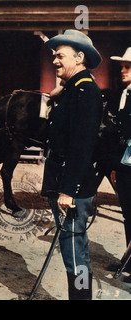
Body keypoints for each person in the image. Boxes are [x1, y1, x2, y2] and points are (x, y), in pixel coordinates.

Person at [41, 30, 103, 300]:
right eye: (54, 56)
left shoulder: (85, 92)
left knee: (75, 252)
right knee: (72, 249)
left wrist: (68, 190)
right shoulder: (73, 90)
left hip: (72, 187)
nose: (54, 61)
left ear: (79, 58)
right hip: (66, 182)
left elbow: (81, 146)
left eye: (60, 56)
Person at [105, 48, 131, 280]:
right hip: (123, 164)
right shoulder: (123, 94)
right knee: (128, 214)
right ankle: (129, 261)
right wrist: (114, 165)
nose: (122, 71)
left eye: (128, 67)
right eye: (122, 66)